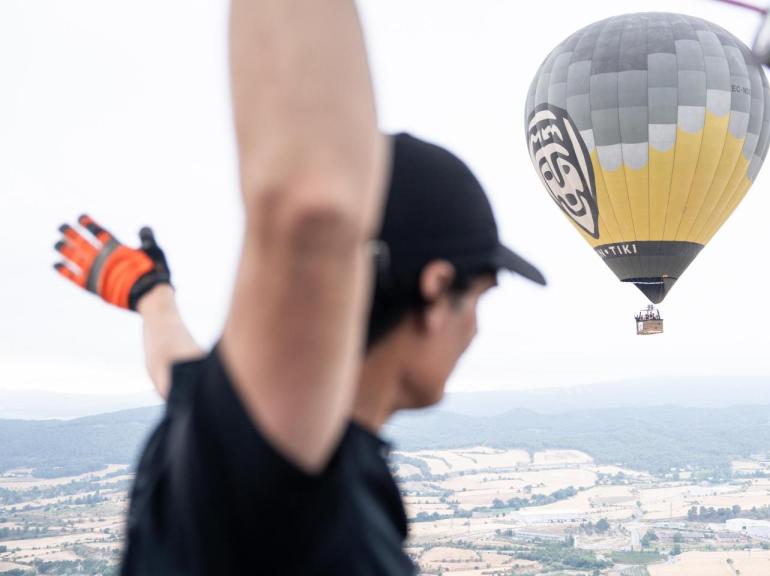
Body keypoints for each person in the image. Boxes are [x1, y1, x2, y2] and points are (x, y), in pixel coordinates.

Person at [50, 1, 544, 573]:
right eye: (480, 296)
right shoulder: (289, 488)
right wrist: (153, 296)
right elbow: (311, 203)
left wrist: (150, 294)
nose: (476, 328)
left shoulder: (220, 436)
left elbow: (177, 369)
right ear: (436, 291)